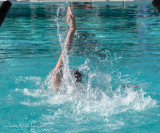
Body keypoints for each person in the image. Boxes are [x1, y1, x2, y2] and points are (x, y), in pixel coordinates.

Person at [50, 7, 82, 92]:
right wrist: (72, 29)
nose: (77, 76)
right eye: (76, 74)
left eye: (78, 74)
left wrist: (72, 29)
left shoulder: (62, 92)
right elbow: (63, 55)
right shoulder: (60, 89)